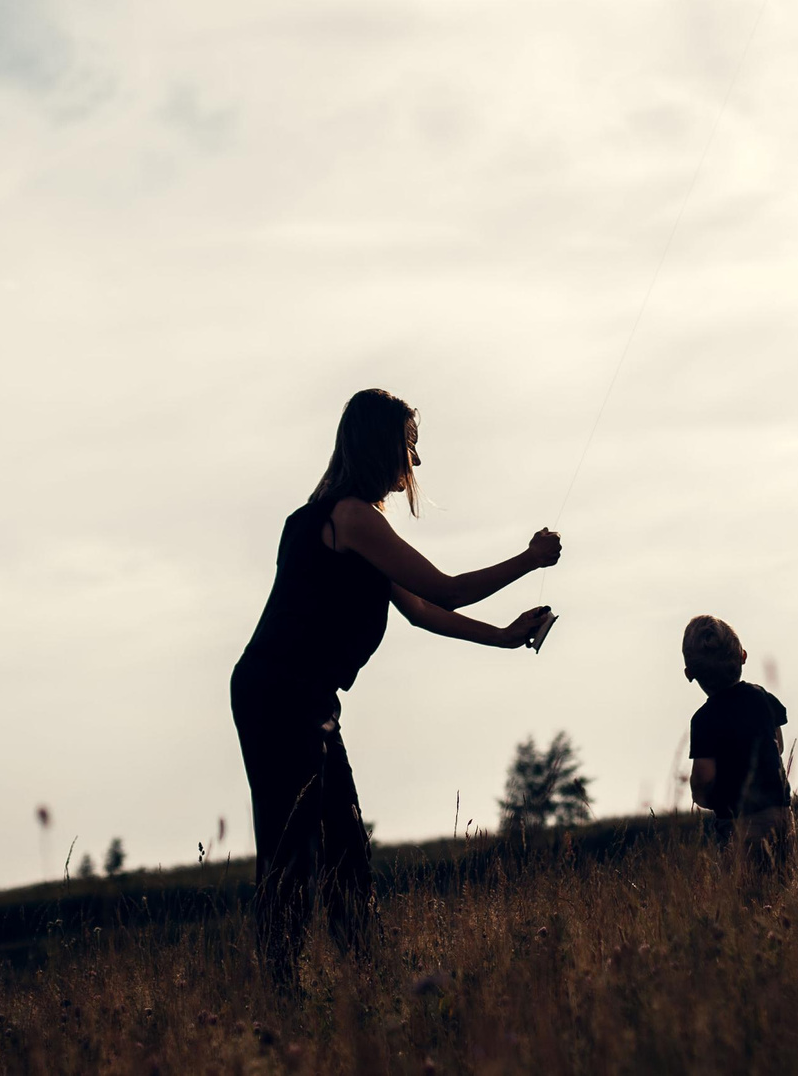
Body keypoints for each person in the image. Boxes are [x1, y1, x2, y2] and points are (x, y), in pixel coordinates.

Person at [230, 388, 559, 980]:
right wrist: (530, 559)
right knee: (294, 848)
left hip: (298, 696)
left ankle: (366, 975)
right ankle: (284, 988)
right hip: (281, 696)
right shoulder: (351, 518)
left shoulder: (340, 520)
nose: (416, 462)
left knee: (342, 844)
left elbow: (422, 611)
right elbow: (445, 591)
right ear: (381, 447)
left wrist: (504, 637)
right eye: (410, 445)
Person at [683, 614, 794, 883]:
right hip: (780, 813)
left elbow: (704, 777)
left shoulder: (704, 720)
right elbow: (778, 745)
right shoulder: (761, 698)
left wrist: (702, 797)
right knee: (781, 886)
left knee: (745, 893)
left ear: (690, 674)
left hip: (739, 823)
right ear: (742, 656)